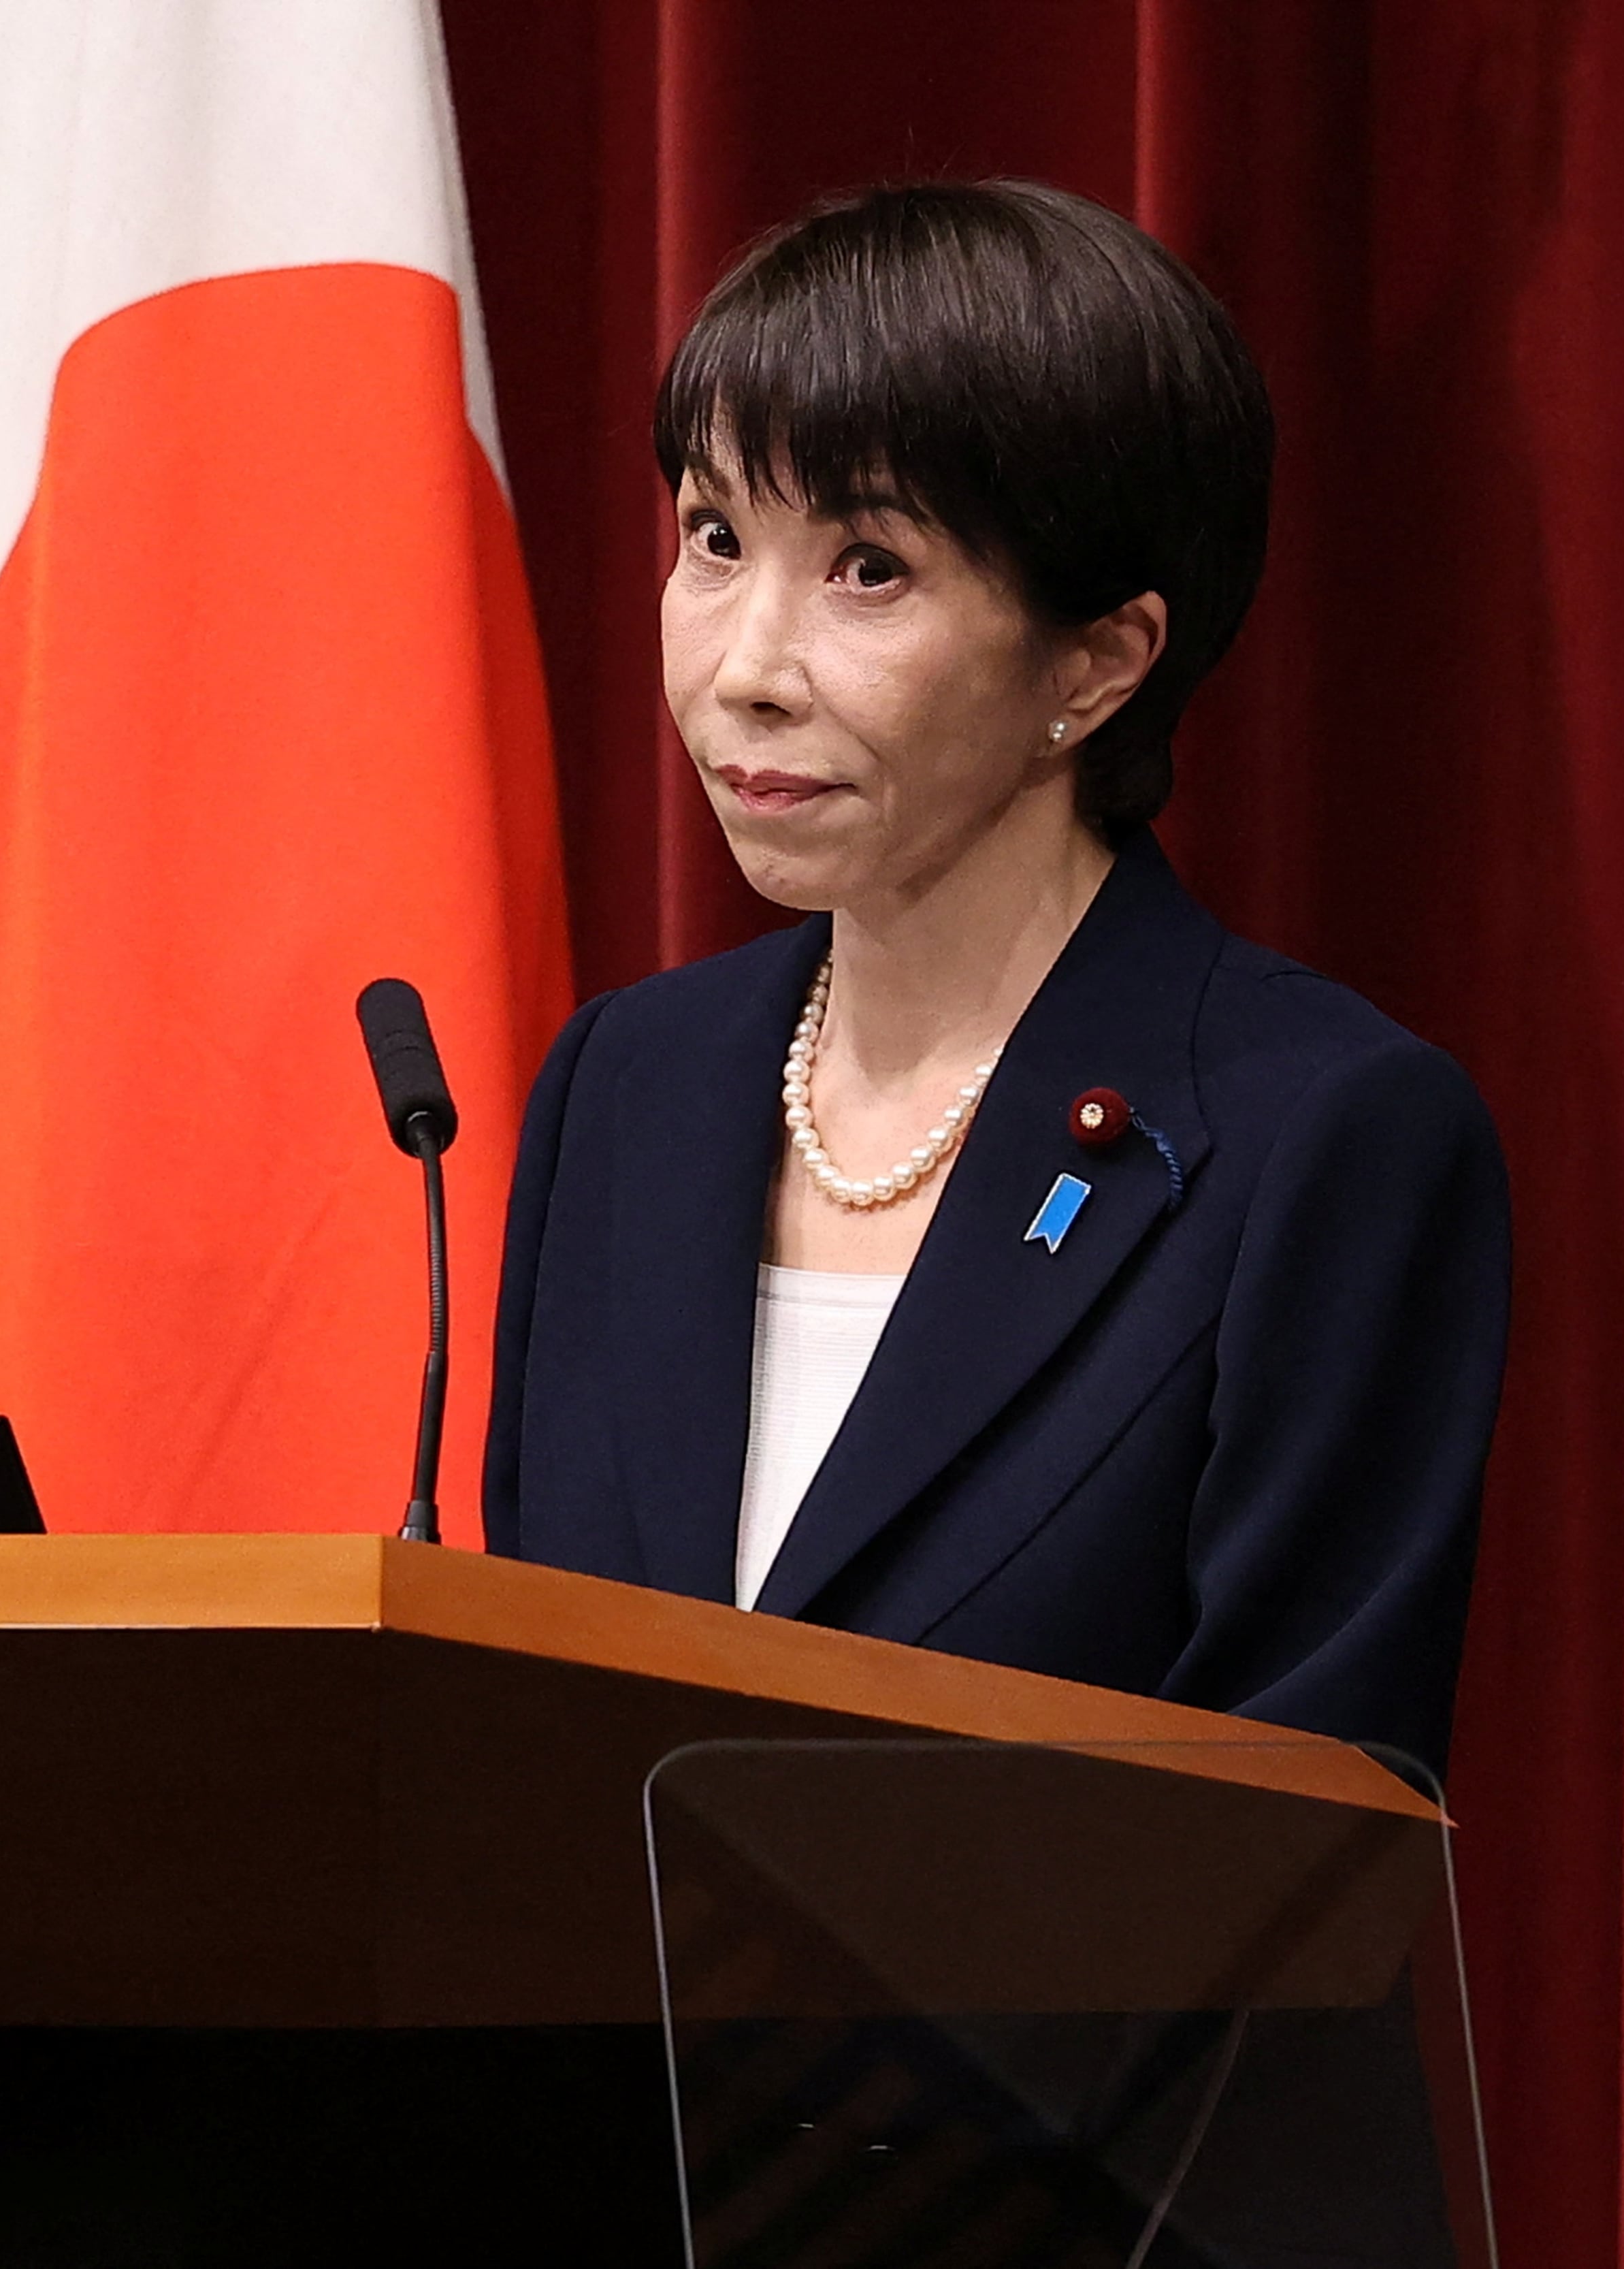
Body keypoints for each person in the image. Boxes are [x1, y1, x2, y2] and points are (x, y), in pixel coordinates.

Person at [483, 180, 1509, 1777]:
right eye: (714, 537)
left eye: (867, 568)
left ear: (1096, 661)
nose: (745, 664)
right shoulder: (628, 1083)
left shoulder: (1317, 1135)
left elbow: (1300, 1862)